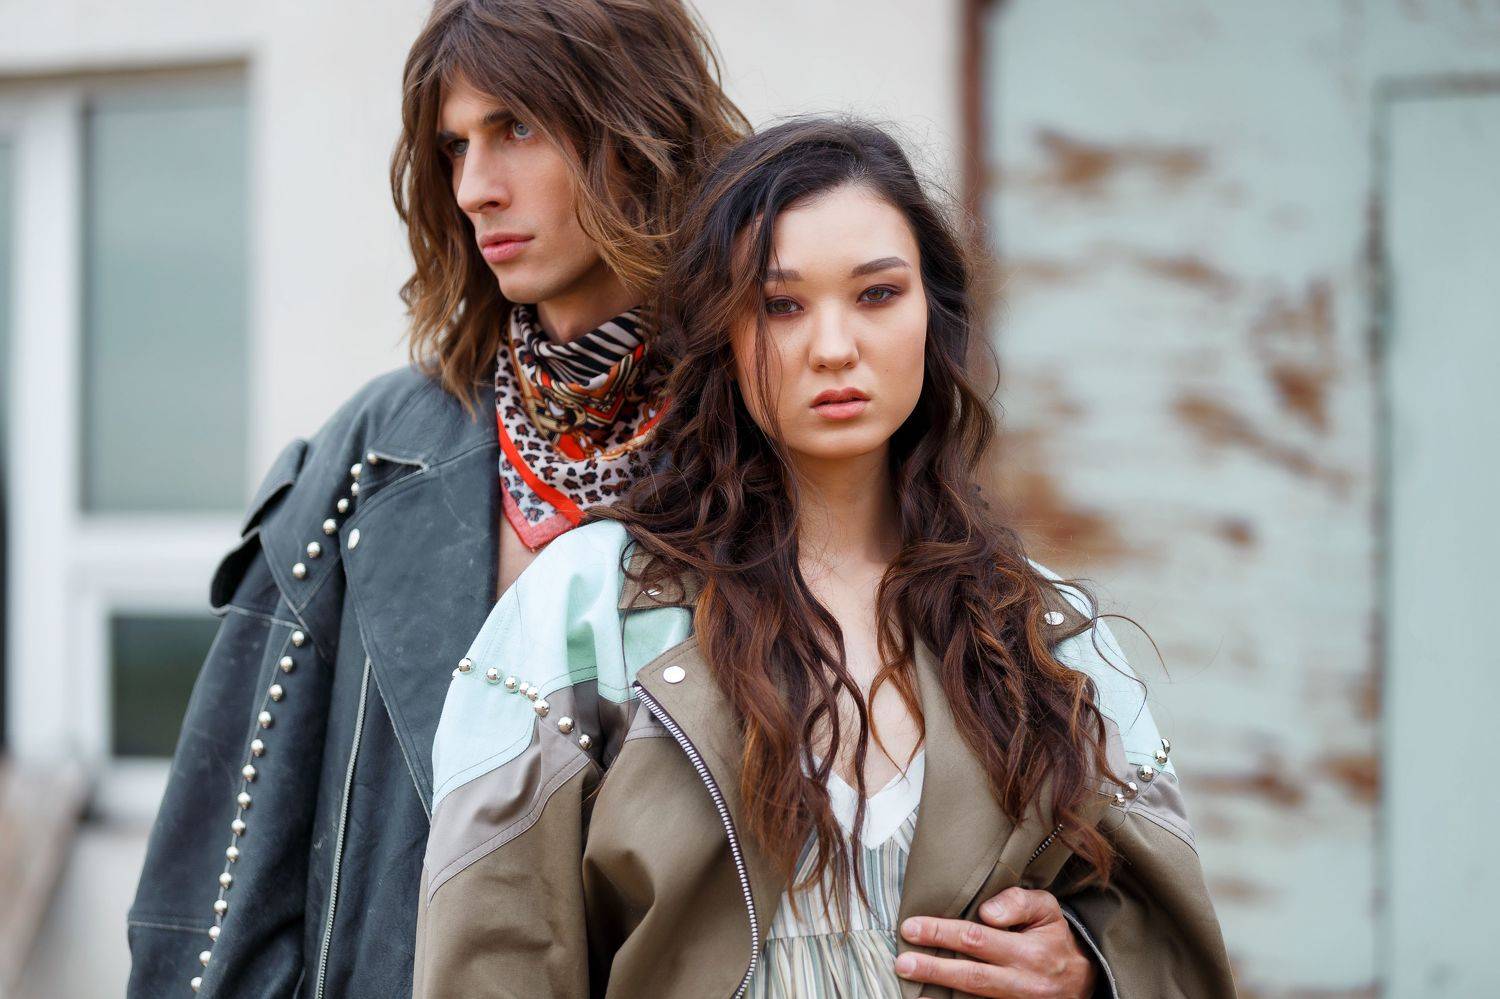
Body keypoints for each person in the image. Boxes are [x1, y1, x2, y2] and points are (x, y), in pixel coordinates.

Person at [413, 118, 1236, 997]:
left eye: (877, 294)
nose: (835, 346)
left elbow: (1170, 949)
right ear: (722, 333)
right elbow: (491, 958)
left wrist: (1088, 971)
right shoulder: (584, 612)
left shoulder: (1041, 628)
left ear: (933, 314)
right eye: (782, 305)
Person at [125, 1, 748, 995]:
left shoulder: (767, 448)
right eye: (454, 146)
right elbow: (219, 880)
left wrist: (1029, 940)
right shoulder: (376, 452)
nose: (473, 188)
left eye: (517, 128)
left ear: (637, 127)